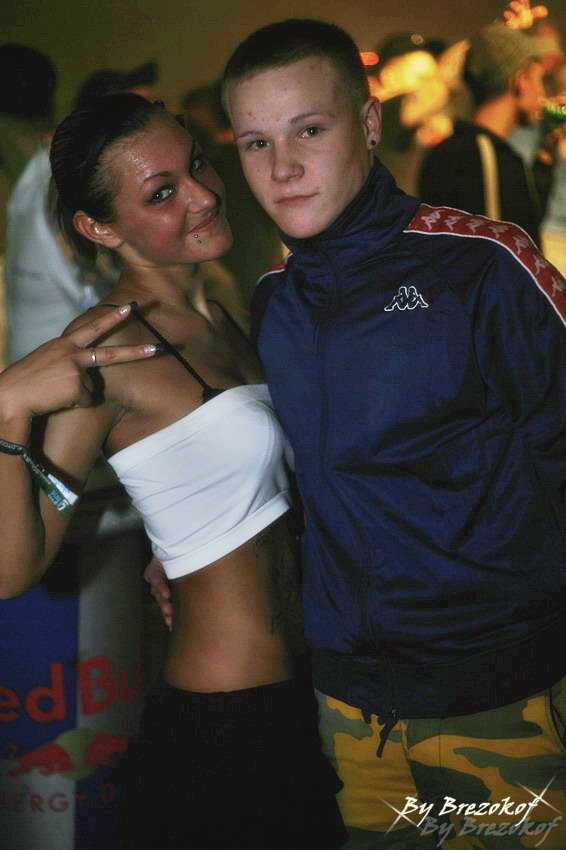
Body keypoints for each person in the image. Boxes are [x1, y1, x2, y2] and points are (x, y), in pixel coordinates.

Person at [148, 18, 566, 849]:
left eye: (310, 130)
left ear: (369, 123)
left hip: (500, 698)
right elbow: (301, 475)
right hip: (349, 709)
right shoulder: (274, 300)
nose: (282, 167)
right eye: (257, 142)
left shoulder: (485, 264)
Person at [0, 93, 346, 850]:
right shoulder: (106, 353)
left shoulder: (231, 315)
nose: (204, 193)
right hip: (227, 723)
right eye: (162, 193)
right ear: (100, 228)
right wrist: (7, 409)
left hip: (307, 692)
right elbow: (12, 569)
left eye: (196, 164)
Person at [418, 21, 552, 247]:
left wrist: (546, 155)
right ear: (520, 81)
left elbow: (523, 223)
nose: (542, 92)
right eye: (539, 79)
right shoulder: (481, 157)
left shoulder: (467, 148)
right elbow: (497, 252)